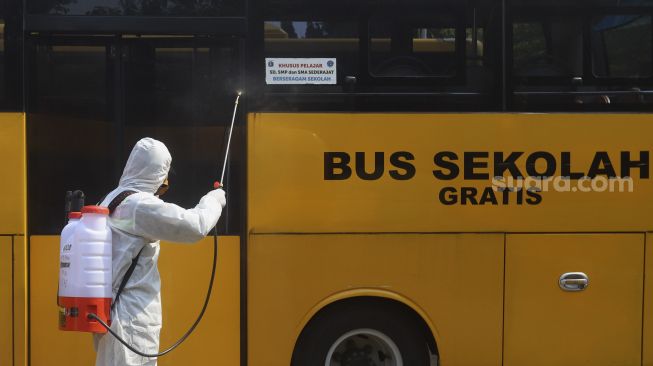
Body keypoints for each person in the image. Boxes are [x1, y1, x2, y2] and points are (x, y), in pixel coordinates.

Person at [94, 137, 226, 366]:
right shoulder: (139, 206)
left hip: (113, 316)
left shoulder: (113, 198)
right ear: (157, 171)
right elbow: (195, 226)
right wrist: (214, 200)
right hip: (131, 320)